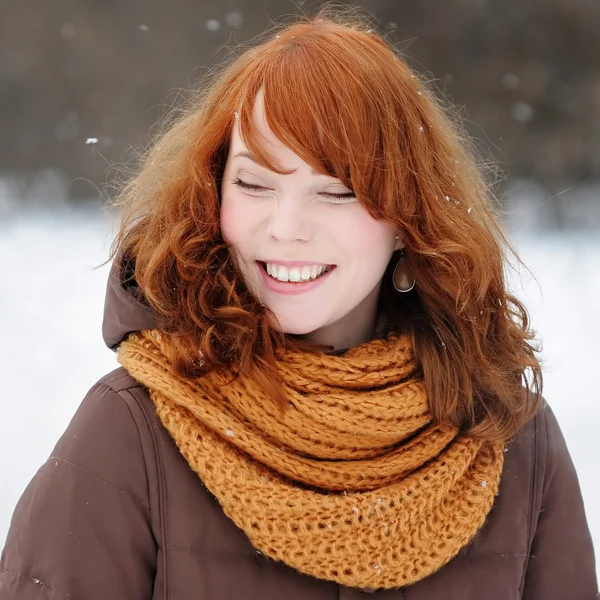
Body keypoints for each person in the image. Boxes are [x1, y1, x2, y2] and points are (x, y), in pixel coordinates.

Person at [1, 9, 597, 600]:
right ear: (212, 194)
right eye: (255, 184)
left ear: (406, 219)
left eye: (336, 192)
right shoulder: (129, 433)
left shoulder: (512, 438)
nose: (285, 228)